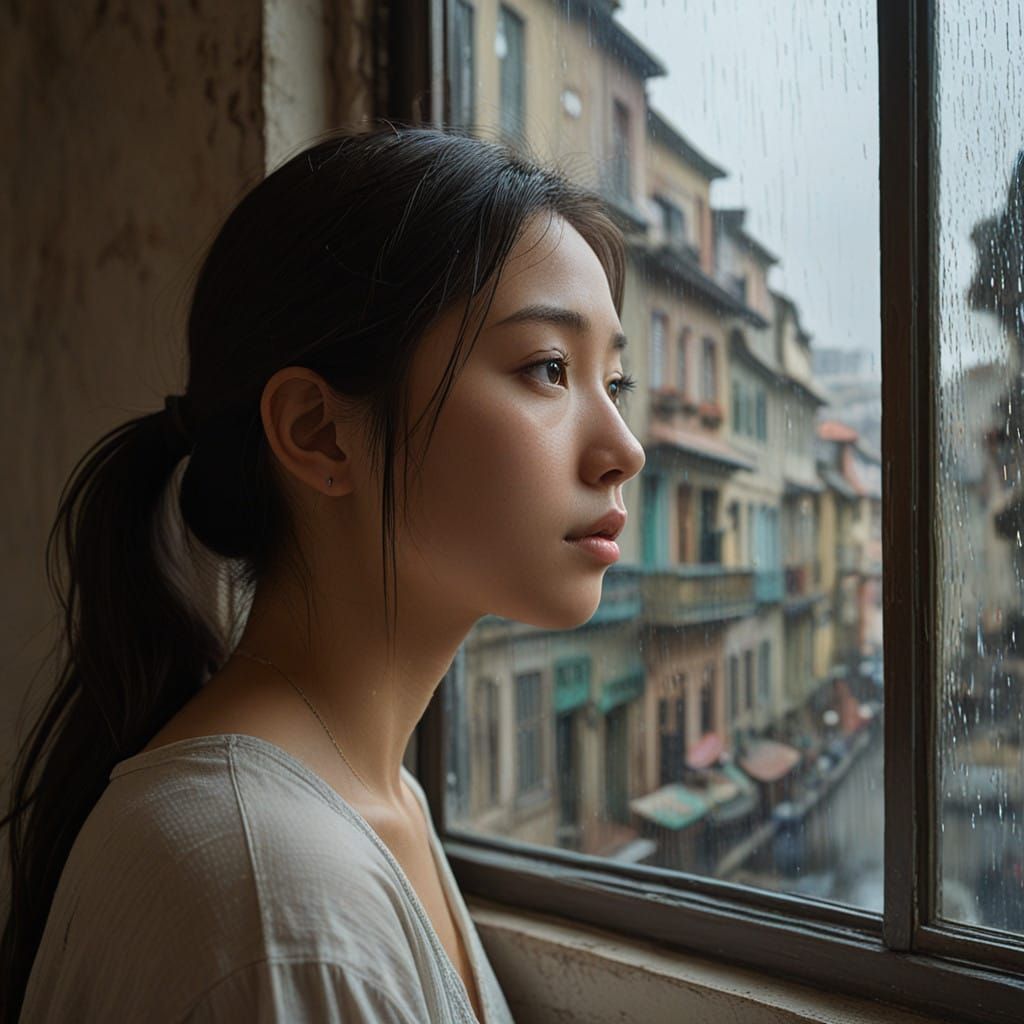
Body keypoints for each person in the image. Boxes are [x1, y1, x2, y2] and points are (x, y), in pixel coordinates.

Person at [1, 123, 646, 1022]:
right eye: (548, 368)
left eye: (614, 384)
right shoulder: (278, 897)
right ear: (319, 433)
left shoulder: (373, 799)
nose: (625, 449)